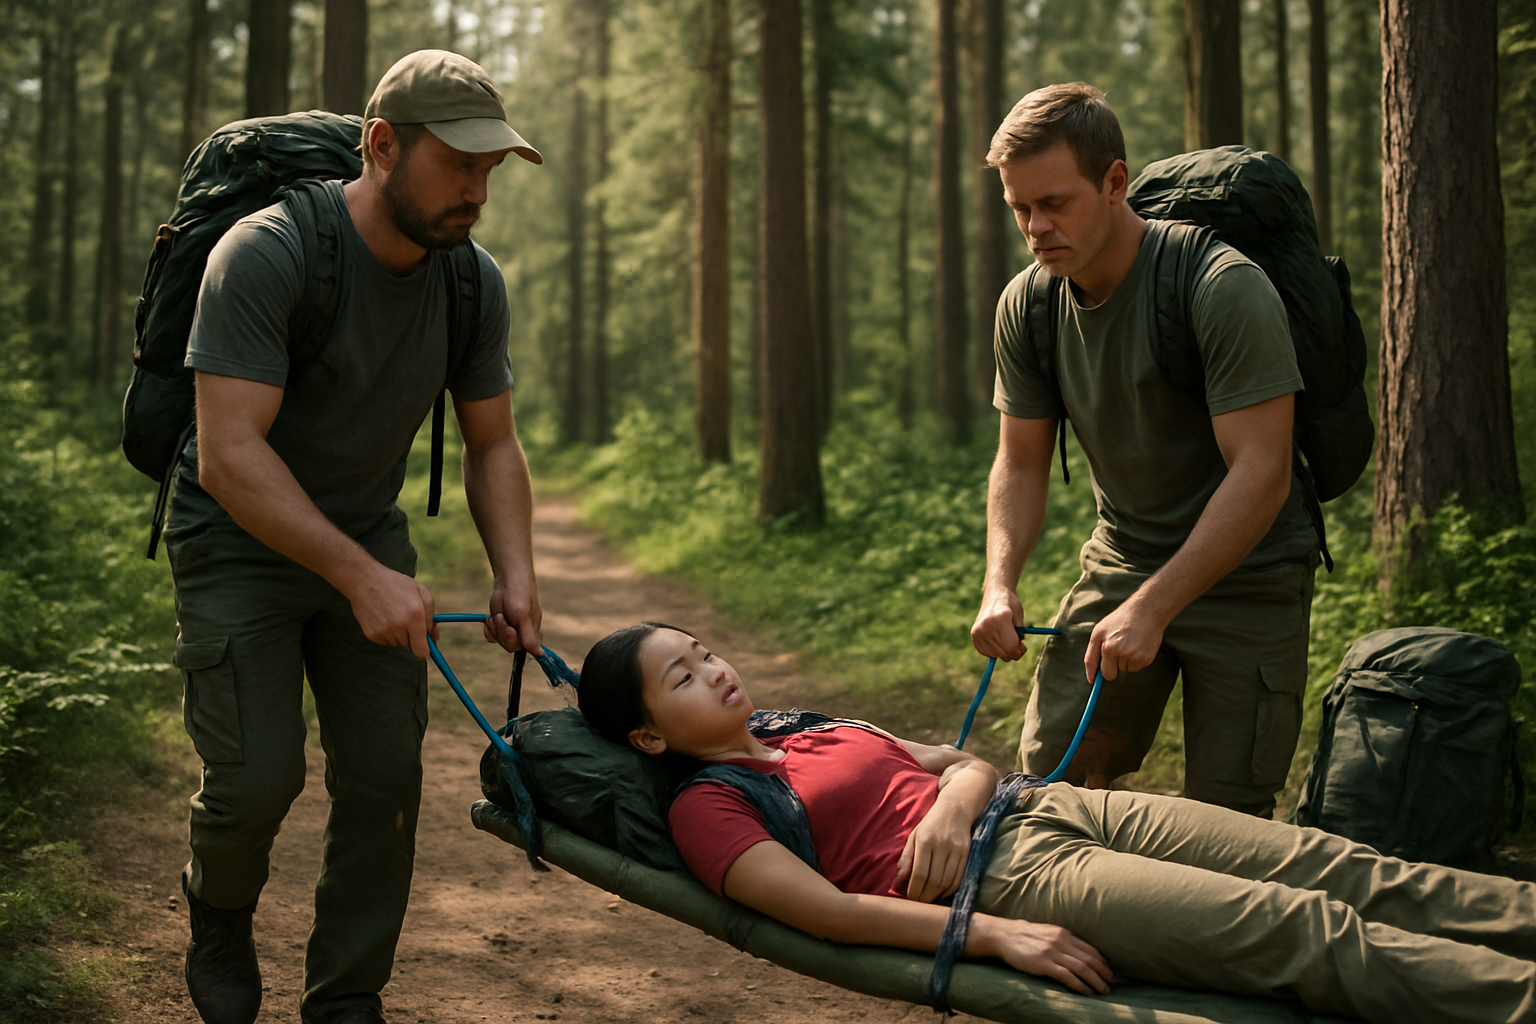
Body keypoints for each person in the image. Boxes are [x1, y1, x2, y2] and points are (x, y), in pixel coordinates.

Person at [576, 622, 1536, 1024]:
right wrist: (996, 933)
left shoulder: (796, 726)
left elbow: (962, 763)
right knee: (1307, 931)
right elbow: (825, 914)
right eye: (683, 677)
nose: (714, 670)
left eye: (703, 652)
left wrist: (953, 800)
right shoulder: (711, 808)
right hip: (1016, 880)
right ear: (648, 737)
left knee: (1341, 865)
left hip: (1051, 803)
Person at [164, 50, 544, 1024]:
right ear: (383, 146)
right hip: (238, 537)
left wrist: (516, 575)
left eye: (490, 168)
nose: (476, 190)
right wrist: (357, 574)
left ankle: (345, 994)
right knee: (257, 778)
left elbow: (492, 443)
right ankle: (218, 907)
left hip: (365, 536)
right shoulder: (267, 252)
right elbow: (229, 456)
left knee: (384, 773)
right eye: (458, 163)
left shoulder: (471, 283)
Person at [969, 83, 1319, 818]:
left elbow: (1263, 472)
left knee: (1230, 819)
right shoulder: (1029, 306)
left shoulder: (1220, 287)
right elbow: (1021, 461)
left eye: (1055, 203)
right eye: (1020, 209)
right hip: (1124, 558)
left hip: (1249, 574)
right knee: (1050, 788)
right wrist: (999, 582)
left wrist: (1155, 607)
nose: (1035, 227)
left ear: (1115, 183)